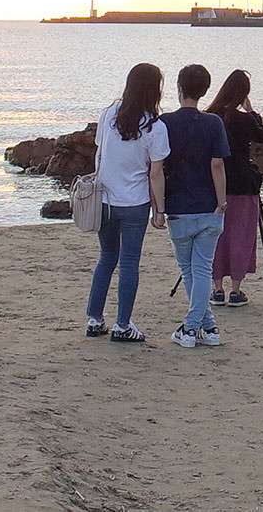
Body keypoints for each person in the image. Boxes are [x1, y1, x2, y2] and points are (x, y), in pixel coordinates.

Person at [85, 64, 170, 343]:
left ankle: (95, 319)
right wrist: (160, 210)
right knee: (130, 262)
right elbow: (155, 172)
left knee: (106, 258)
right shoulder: (155, 127)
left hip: (106, 199)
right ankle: (123, 324)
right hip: (134, 202)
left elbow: (101, 153)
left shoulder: (109, 114)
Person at [159, 65, 227, 349]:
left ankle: (190, 329)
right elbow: (217, 164)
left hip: (179, 206)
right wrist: (221, 202)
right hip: (208, 206)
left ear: (179, 88)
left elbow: (158, 166)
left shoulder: (165, 123)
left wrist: (158, 206)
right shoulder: (213, 123)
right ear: (205, 90)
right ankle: (207, 327)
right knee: (200, 270)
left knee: (191, 271)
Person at [208, 70, 263, 309]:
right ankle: (235, 290)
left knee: (215, 236)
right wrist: (251, 110)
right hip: (243, 183)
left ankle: (216, 289)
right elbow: (262, 136)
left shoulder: (211, 116)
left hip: (215, 185)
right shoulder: (244, 120)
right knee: (241, 235)